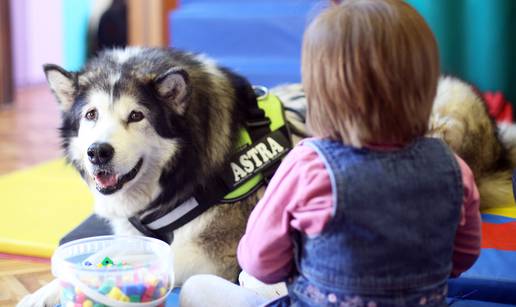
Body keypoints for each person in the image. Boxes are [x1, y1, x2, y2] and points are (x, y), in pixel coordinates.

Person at [180, 0, 481, 306]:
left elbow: (259, 261)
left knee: (199, 288)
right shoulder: (454, 168)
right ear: (427, 88)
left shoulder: (308, 165)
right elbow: (463, 258)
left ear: (320, 95)